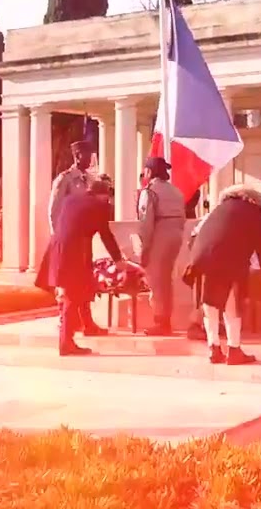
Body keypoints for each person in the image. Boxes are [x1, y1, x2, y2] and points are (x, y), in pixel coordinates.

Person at [185, 184, 261, 365]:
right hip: (230, 258)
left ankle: (214, 348)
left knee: (209, 303)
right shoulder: (254, 213)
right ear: (253, 200)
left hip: (201, 257)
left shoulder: (217, 210)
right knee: (231, 302)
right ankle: (234, 350)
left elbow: (196, 237)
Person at [38, 179, 128, 355]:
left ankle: (86, 326)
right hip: (75, 251)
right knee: (72, 296)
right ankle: (66, 342)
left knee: (78, 290)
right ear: (102, 195)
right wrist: (118, 260)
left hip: (56, 247)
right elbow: (106, 235)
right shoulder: (100, 206)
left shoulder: (70, 200)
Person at [45, 139, 105, 336]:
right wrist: (59, 238)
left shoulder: (89, 180)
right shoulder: (65, 180)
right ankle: (65, 323)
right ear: (77, 156)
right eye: (87, 155)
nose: (90, 159)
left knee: (85, 280)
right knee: (67, 283)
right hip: (67, 241)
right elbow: (54, 210)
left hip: (83, 241)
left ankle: (87, 322)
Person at [136, 157, 187, 336]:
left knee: (156, 280)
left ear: (149, 172)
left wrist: (144, 248)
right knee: (166, 279)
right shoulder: (176, 191)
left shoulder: (150, 192)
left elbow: (146, 222)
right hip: (176, 235)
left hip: (160, 233)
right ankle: (166, 320)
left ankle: (161, 321)